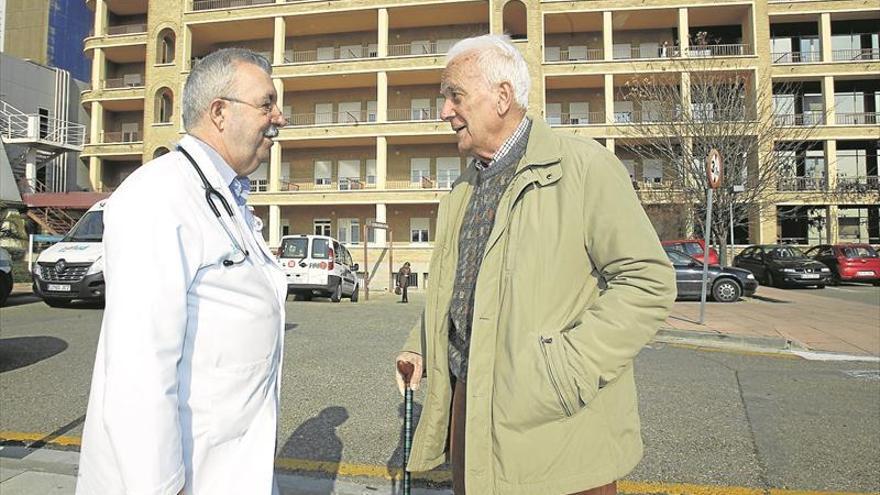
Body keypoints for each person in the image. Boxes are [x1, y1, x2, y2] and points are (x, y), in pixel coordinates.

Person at [393, 35, 676, 495]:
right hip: (471, 403)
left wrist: (565, 371)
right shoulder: (461, 192)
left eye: (454, 95)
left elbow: (647, 283)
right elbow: (456, 289)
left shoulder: (585, 168)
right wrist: (419, 344)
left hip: (561, 421)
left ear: (502, 97)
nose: (444, 110)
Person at [76, 48, 288, 495]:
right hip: (178, 479)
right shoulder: (156, 197)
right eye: (267, 103)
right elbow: (139, 372)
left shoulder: (225, 198)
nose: (280, 117)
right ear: (220, 113)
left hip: (229, 469)